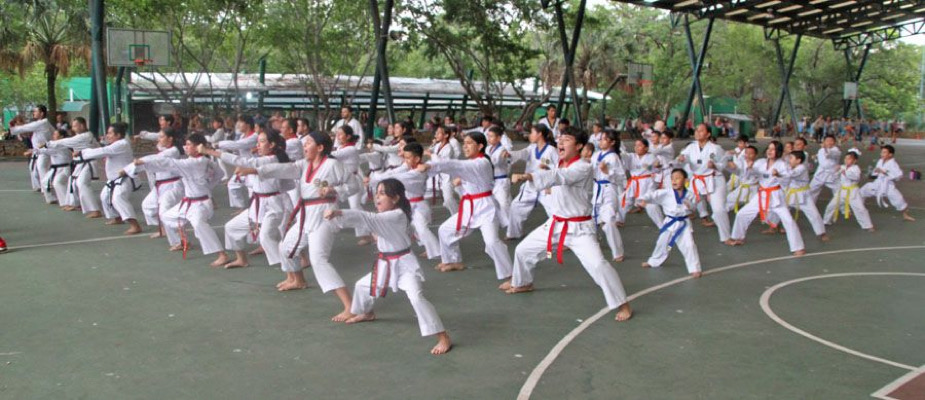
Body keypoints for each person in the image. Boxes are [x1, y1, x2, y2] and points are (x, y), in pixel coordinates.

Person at [501, 127, 632, 322]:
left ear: (579, 145)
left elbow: (560, 176)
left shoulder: (583, 167)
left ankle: (623, 303)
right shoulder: (558, 161)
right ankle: (523, 282)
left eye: (567, 140)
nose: (560, 143)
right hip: (555, 224)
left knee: (598, 265)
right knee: (523, 250)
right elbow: (553, 173)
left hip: (579, 229)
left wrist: (529, 176)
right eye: (559, 139)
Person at [324, 179, 452, 355]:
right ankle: (367, 313)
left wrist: (338, 212)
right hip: (386, 264)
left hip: (405, 266)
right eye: (377, 193)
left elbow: (369, 218)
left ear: (396, 198)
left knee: (416, 298)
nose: (377, 196)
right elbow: (375, 224)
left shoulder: (397, 215)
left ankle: (443, 336)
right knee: (362, 286)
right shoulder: (388, 218)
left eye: (383, 193)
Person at [243, 132, 358, 321]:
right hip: (306, 214)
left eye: (308, 143)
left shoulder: (332, 165)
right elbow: (281, 169)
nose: (304, 147)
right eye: (304, 144)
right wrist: (255, 170)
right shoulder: (303, 165)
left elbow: (355, 186)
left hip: (324, 214)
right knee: (285, 246)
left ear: (320, 147)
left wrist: (334, 189)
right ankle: (299, 280)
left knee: (319, 259)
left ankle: (350, 306)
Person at [416, 132, 513, 280]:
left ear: (480, 146)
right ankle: (453, 260)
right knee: (445, 230)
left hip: (486, 207)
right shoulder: (472, 162)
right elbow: (455, 166)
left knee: (492, 242)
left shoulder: (482, 162)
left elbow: (456, 165)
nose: (465, 146)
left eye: (469, 143)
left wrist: (430, 164)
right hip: (469, 207)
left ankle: (510, 274)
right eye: (464, 143)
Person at [204, 130, 293, 269]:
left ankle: (291, 268)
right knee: (231, 227)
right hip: (257, 205)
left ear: (272, 145)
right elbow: (246, 164)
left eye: (262, 141)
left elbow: (242, 161)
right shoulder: (262, 159)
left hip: (273, 206)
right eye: (258, 141)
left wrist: (210, 151)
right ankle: (241, 259)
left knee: (267, 236)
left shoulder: (272, 159)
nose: (258, 144)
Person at [133, 133, 224, 258]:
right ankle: (182, 240)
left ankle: (222, 254)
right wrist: (208, 187)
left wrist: (144, 161)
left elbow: (168, 162)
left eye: (188, 145)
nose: (185, 147)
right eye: (185, 144)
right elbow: (220, 174)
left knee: (199, 225)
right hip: (189, 203)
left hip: (200, 204)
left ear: (198, 147)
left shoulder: (196, 163)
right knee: (167, 217)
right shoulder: (200, 161)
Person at [729, 141, 806, 256]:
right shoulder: (760, 162)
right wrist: (749, 168)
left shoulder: (782, 164)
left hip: (776, 195)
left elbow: (787, 179)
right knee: (742, 213)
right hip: (762, 194)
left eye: (773, 149)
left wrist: (778, 175)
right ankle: (738, 237)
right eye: (768, 149)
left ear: (778, 152)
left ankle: (798, 247)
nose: (769, 151)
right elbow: (749, 175)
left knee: (788, 220)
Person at [368, 142, 441, 259]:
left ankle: (437, 252)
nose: (405, 160)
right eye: (405, 157)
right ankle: (428, 248)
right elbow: (393, 173)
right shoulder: (409, 167)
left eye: (408, 157)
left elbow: (396, 177)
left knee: (421, 229)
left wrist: (374, 180)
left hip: (419, 205)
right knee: (411, 227)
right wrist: (375, 179)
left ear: (417, 158)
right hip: (409, 205)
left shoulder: (418, 173)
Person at [76, 122, 142, 235]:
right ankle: (117, 217)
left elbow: (102, 151)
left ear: (118, 135)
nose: (107, 135)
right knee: (105, 197)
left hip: (125, 178)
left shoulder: (122, 144)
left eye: (110, 133)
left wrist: (82, 153)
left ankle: (135, 225)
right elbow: (104, 148)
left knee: (118, 198)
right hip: (114, 179)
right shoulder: (116, 144)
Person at [637, 168, 702, 278]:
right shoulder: (666, 193)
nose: (674, 181)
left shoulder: (690, 195)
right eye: (672, 178)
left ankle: (695, 268)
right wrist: (643, 200)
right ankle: (653, 261)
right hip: (670, 222)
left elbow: (694, 208)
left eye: (678, 178)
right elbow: (652, 195)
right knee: (661, 243)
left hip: (683, 223)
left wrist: (689, 206)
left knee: (689, 245)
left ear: (685, 180)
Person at [125, 128, 185, 239]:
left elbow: (156, 158)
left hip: (172, 186)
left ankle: (181, 240)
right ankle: (163, 229)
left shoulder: (173, 151)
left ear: (170, 139)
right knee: (147, 206)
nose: (159, 139)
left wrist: (141, 160)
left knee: (165, 212)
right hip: (160, 185)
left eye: (162, 137)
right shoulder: (163, 149)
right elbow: (156, 155)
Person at [677, 123, 731, 244]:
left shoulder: (716, 148)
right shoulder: (690, 147)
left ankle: (726, 237)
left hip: (715, 180)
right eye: (696, 130)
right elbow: (681, 159)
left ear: (708, 134)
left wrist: (715, 165)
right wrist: (681, 160)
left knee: (718, 209)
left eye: (701, 131)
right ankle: (680, 232)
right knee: (682, 206)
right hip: (697, 181)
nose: (697, 132)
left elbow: (723, 164)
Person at [504, 124, 558, 240]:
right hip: (530, 185)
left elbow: (559, 169)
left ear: (539, 134)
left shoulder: (551, 150)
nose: (530, 135)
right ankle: (514, 233)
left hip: (546, 186)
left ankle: (564, 239)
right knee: (515, 206)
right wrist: (509, 154)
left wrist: (548, 169)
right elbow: (521, 153)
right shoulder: (531, 148)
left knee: (556, 212)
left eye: (532, 133)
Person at [46, 117, 102, 217]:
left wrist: (48, 144)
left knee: (82, 183)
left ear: (82, 125)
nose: (73, 128)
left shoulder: (85, 136)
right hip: (80, 163)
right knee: (73, 182)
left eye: (75, 126)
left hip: (88, 163)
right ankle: (73, 203)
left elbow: (65, 142)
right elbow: (96, 146)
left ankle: (95, 210)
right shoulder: (83, 136)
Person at [771, 150, 829, 242]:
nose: (789, 160)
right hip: (790, 193)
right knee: (779, 208)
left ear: (798, 160)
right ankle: (773, 226)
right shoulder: (789, 166)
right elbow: (783, 169)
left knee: (814, 214)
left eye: (791, 158)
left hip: (803, 195)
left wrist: (778, 174)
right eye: (789, 158)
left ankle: (822, 233)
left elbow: (790, 175)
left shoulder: (801, 168)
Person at [590, 128, 625, 262]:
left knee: (609, 221)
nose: (601, 141)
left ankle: (618, 252)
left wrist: (607, 171)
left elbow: (621, 177)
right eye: (601, 138)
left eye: (605, 139)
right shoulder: (596, 155)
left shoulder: (614, 157)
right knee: (591, 221)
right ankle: (591, 248)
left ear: (612, 142)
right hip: (596, 189)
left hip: (609, 189)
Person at [859, 145, 915, 222]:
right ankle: (859, 208)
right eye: (881, 152)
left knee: (899, 199)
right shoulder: (880, 161)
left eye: (884, 152)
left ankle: (905, 215)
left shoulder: (893, 164)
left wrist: (884, 172)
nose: (881, 154)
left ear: (890, 154)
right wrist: (872, 174)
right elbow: (876, 173)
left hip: (888, 185)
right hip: (877, 183)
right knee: (862, 191)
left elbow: (899, 175)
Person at [823, 148, 874, 231]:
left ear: (855, 161)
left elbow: (856, 177)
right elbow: (834, 176)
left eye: (849, 159)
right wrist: (835, 171)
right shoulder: (843, 167)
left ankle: (868, 225)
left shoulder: (856, 168)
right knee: (831, 205)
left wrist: (845, 172)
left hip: (853, 191)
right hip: (842, 191)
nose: (846, 160)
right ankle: (826, 221)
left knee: (860, 208)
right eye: (845, 158)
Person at [621, 139, 664, 227]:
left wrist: (655, 166)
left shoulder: (651, 157)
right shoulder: (631, 156)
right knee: (625, 200)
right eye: (635, 145)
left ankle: (662, 224)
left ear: (646, 148)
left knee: (650, 203)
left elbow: (657, 169)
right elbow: (623, 157)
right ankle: (619, 220)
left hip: (647, 183)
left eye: (640, 145)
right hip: (634, 182)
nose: (636, 147)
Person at [217, 115, 257, 209]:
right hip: (243, 165)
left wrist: (218, 144)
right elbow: (237, 150)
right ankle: (241, 207)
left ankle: (254, 211)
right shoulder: (242, 136)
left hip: (253, 168)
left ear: (247, 124)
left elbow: (238, 145)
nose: (238, 125)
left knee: (252, 189)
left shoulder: (254, 137)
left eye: (241, 122)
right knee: (232, 185)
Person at [11, 106, 54, 192]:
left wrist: (13, 128)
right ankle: (43, 188)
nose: (33, 113)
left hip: (44, 150)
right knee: (36, 168)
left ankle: (47, 189)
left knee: (42, 168)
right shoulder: (42, 123)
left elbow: (25, 128)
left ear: (41, 113)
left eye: (35, 111)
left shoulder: (42, 123)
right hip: (40, 150)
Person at [26, 128, 72, 205]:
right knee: (45, 182)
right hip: (56, 169)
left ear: (61, 136)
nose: (53, 136)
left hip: (64, 169)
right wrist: (34, 150)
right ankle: (53, 199)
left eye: (55, 134)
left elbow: (47, 150)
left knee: (58, 183)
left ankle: (67, 203)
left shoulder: (61, 145)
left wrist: (34, 150)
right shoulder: (56, 144)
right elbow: (47, 149)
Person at [425, 124, 460, 215]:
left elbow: (440, 162)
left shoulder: (449, 147)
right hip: (436, 177)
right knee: (423, 195)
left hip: (447, 177)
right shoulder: (438, 145)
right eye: (436, 133)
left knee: (448, 200)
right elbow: (429, 150)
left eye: (438, 133)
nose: (436, 135)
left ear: (446, 135)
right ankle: (425, 215)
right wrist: (433, 144)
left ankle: (457, 216)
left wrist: (430, 154)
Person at [486, 126, 512, 231]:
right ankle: (505, 222)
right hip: (491, 180)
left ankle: (511, 227)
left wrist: (504, 156)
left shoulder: (503, 150)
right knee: (496, 203)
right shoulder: (488, 149)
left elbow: (496, 163)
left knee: (503, 204)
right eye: (488, 136)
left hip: (501, 180)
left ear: (499, 138)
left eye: (491, 136)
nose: (489, 138)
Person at [725, 145, 759, 213]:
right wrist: (730, 165)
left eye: (751, 153)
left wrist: (750, 168)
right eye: (746, 153)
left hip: (754, 190)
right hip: (742, 188)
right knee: (729, 199)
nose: (748, 155)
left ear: (756, 155)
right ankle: (720, 215)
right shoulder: (741, 163)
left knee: (758, 206)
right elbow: (736, 170)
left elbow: (758, 173)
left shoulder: (759, 164)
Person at [810, 135, 841, 201]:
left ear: (834, 142)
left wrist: (825, 149)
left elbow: (830, 154)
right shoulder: (820, 150)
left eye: (831, 141)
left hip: (832, 175)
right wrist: (815, 158)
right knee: (811, 191)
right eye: (827, 141)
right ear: (824, 142)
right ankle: (810, 207)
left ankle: (844, 210)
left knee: (839, 192)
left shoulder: (836, 150)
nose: (829, 142)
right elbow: (820, 161)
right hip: (820, 174)